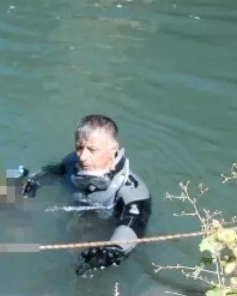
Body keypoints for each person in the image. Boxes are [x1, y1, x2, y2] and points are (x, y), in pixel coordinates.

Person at [20, 114, 152, 275]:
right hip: (74, 221)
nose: (82, 157)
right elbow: (54, 171)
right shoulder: (71, 162)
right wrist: (34, 181)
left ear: (113, 150)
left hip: (107, 229)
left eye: (92, 150)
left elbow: (133, 226)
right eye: (79, 148)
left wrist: (110, 253)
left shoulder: (132, 191)